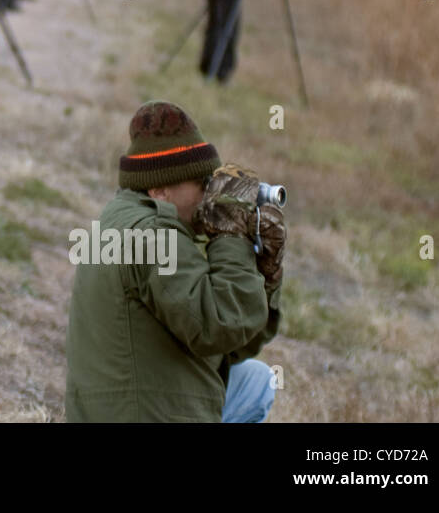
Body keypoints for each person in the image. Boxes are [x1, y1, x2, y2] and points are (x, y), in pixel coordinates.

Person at [65, 100, 283, 422]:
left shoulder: (126, 221)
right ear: (160, 191)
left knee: (256, 380)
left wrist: (265, 271)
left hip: (128, 408)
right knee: (256, 382)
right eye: (201, 184)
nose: (209, 195)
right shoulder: (153, 236)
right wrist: (231, 237)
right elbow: (218, 326)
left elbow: (232, 344)